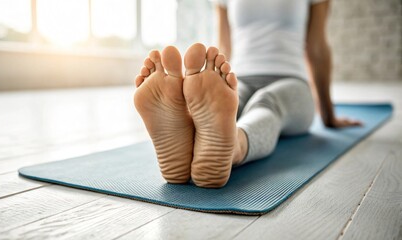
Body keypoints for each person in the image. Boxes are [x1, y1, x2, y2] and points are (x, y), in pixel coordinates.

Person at [133, 0, 361, 188]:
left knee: (266, 102)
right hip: (240, 78)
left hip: (292, 81)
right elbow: (223, 46)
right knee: (234, 104)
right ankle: (199, 139)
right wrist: (213, 78)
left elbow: (317, 47)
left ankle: (231, 145)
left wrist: (328, 115)